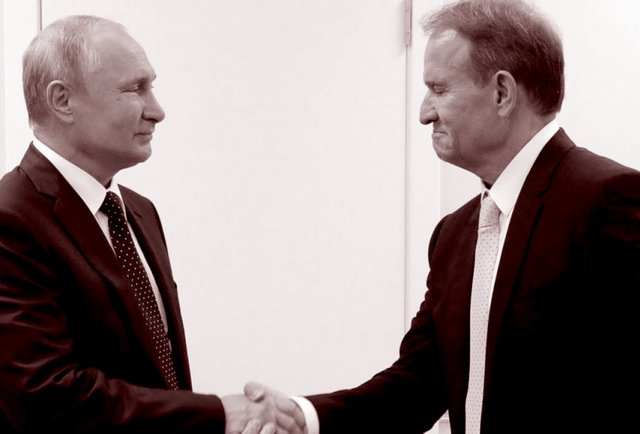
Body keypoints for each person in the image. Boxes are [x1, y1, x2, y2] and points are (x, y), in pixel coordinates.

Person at [247, 0, 640, 433]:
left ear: (502, 93)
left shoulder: (612, 200)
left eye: (439, 89)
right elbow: (416, 385)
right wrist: (304, 418)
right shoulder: (454, 234)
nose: (424, 113)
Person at [0, 15, 304, 434]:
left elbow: (159, 377)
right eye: (135, 89)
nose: (157, 111)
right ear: (62, 100)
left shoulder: (138, 212)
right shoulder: (11, 220)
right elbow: (45, 396)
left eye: (152, 87)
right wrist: (218, 415)